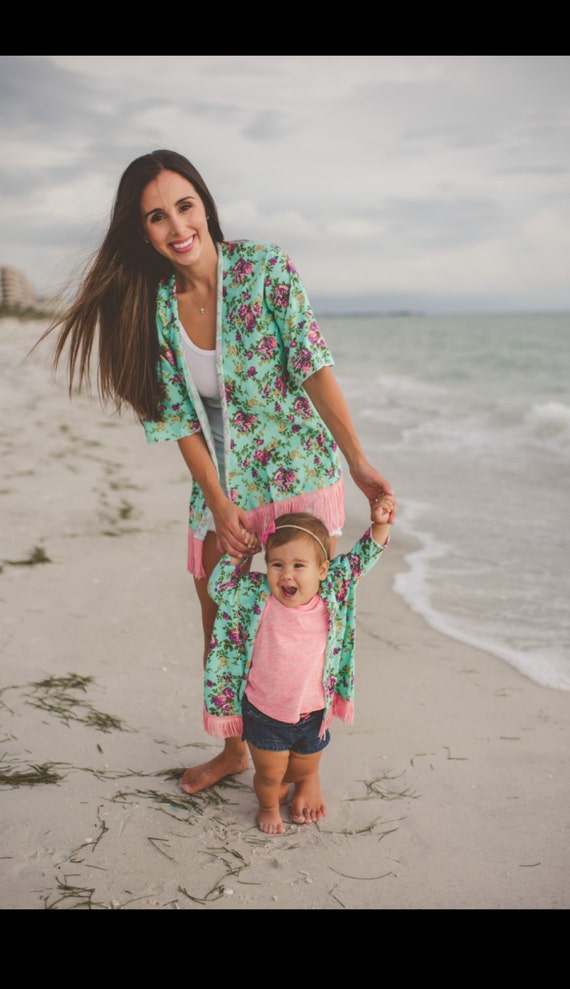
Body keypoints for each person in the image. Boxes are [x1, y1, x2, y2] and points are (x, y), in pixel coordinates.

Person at [39, 149, 396, 795]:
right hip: (222, 490)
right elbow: (174, 414)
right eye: (156, 216)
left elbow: (315, 367)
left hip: (299, 476)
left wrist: (358, 461)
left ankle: (301, 761)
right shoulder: (152, 306)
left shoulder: (264, 268)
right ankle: (236, 748)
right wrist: (218, 500)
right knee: (224, 626)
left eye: (184, 205)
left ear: (204, 204)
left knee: (305, 625)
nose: (177, 225)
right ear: (141, 230)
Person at [204, 496, 395, 834]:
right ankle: (267, 807)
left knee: (300, 771)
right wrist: (236, 555)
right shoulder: (255, 594)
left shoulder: (332, 591)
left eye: (298, 566)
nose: (286, 575)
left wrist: (380, 524)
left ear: (322, 570)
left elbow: (361, 559)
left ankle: (294, 785)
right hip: (264, 713)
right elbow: (218, 588)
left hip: (313, 714)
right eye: (277, 564)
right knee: (270, 776)